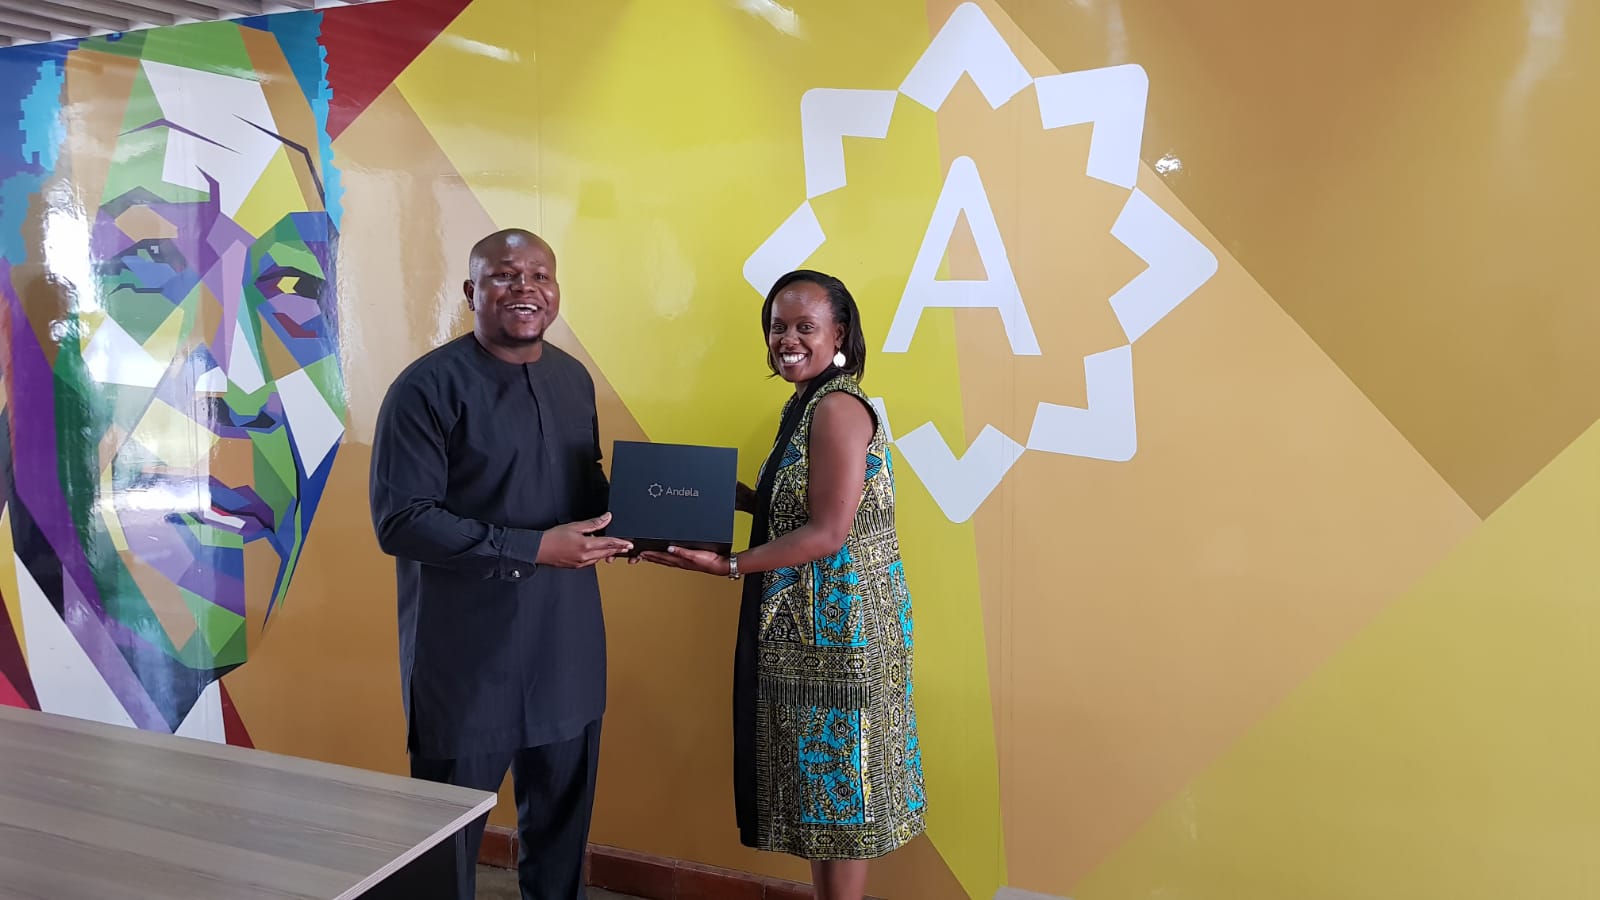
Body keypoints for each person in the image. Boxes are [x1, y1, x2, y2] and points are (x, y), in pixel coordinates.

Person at [642, 269, 926, 900]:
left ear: (839, 335)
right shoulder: (807, 404)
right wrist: (720, 496)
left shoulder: (838, 409)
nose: (787, 340)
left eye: (805, 327)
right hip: (815, 633)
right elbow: (802, 503)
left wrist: (729, 565)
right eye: (777, 327)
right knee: (822, 802)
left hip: (843, 642)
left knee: (844, 800)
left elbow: (827, 532)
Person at [369, 228, 633, 900]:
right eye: (506, 275)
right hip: (467, 654)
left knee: (563, 835)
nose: (526, 289)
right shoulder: (425, 389)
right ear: (471, 291)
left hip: (565, 643)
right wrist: (535, 548)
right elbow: (401, 520)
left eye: (540, 275)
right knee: (446, 841)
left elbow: (582, 488)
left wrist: (665, 514)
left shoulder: (572, 379)